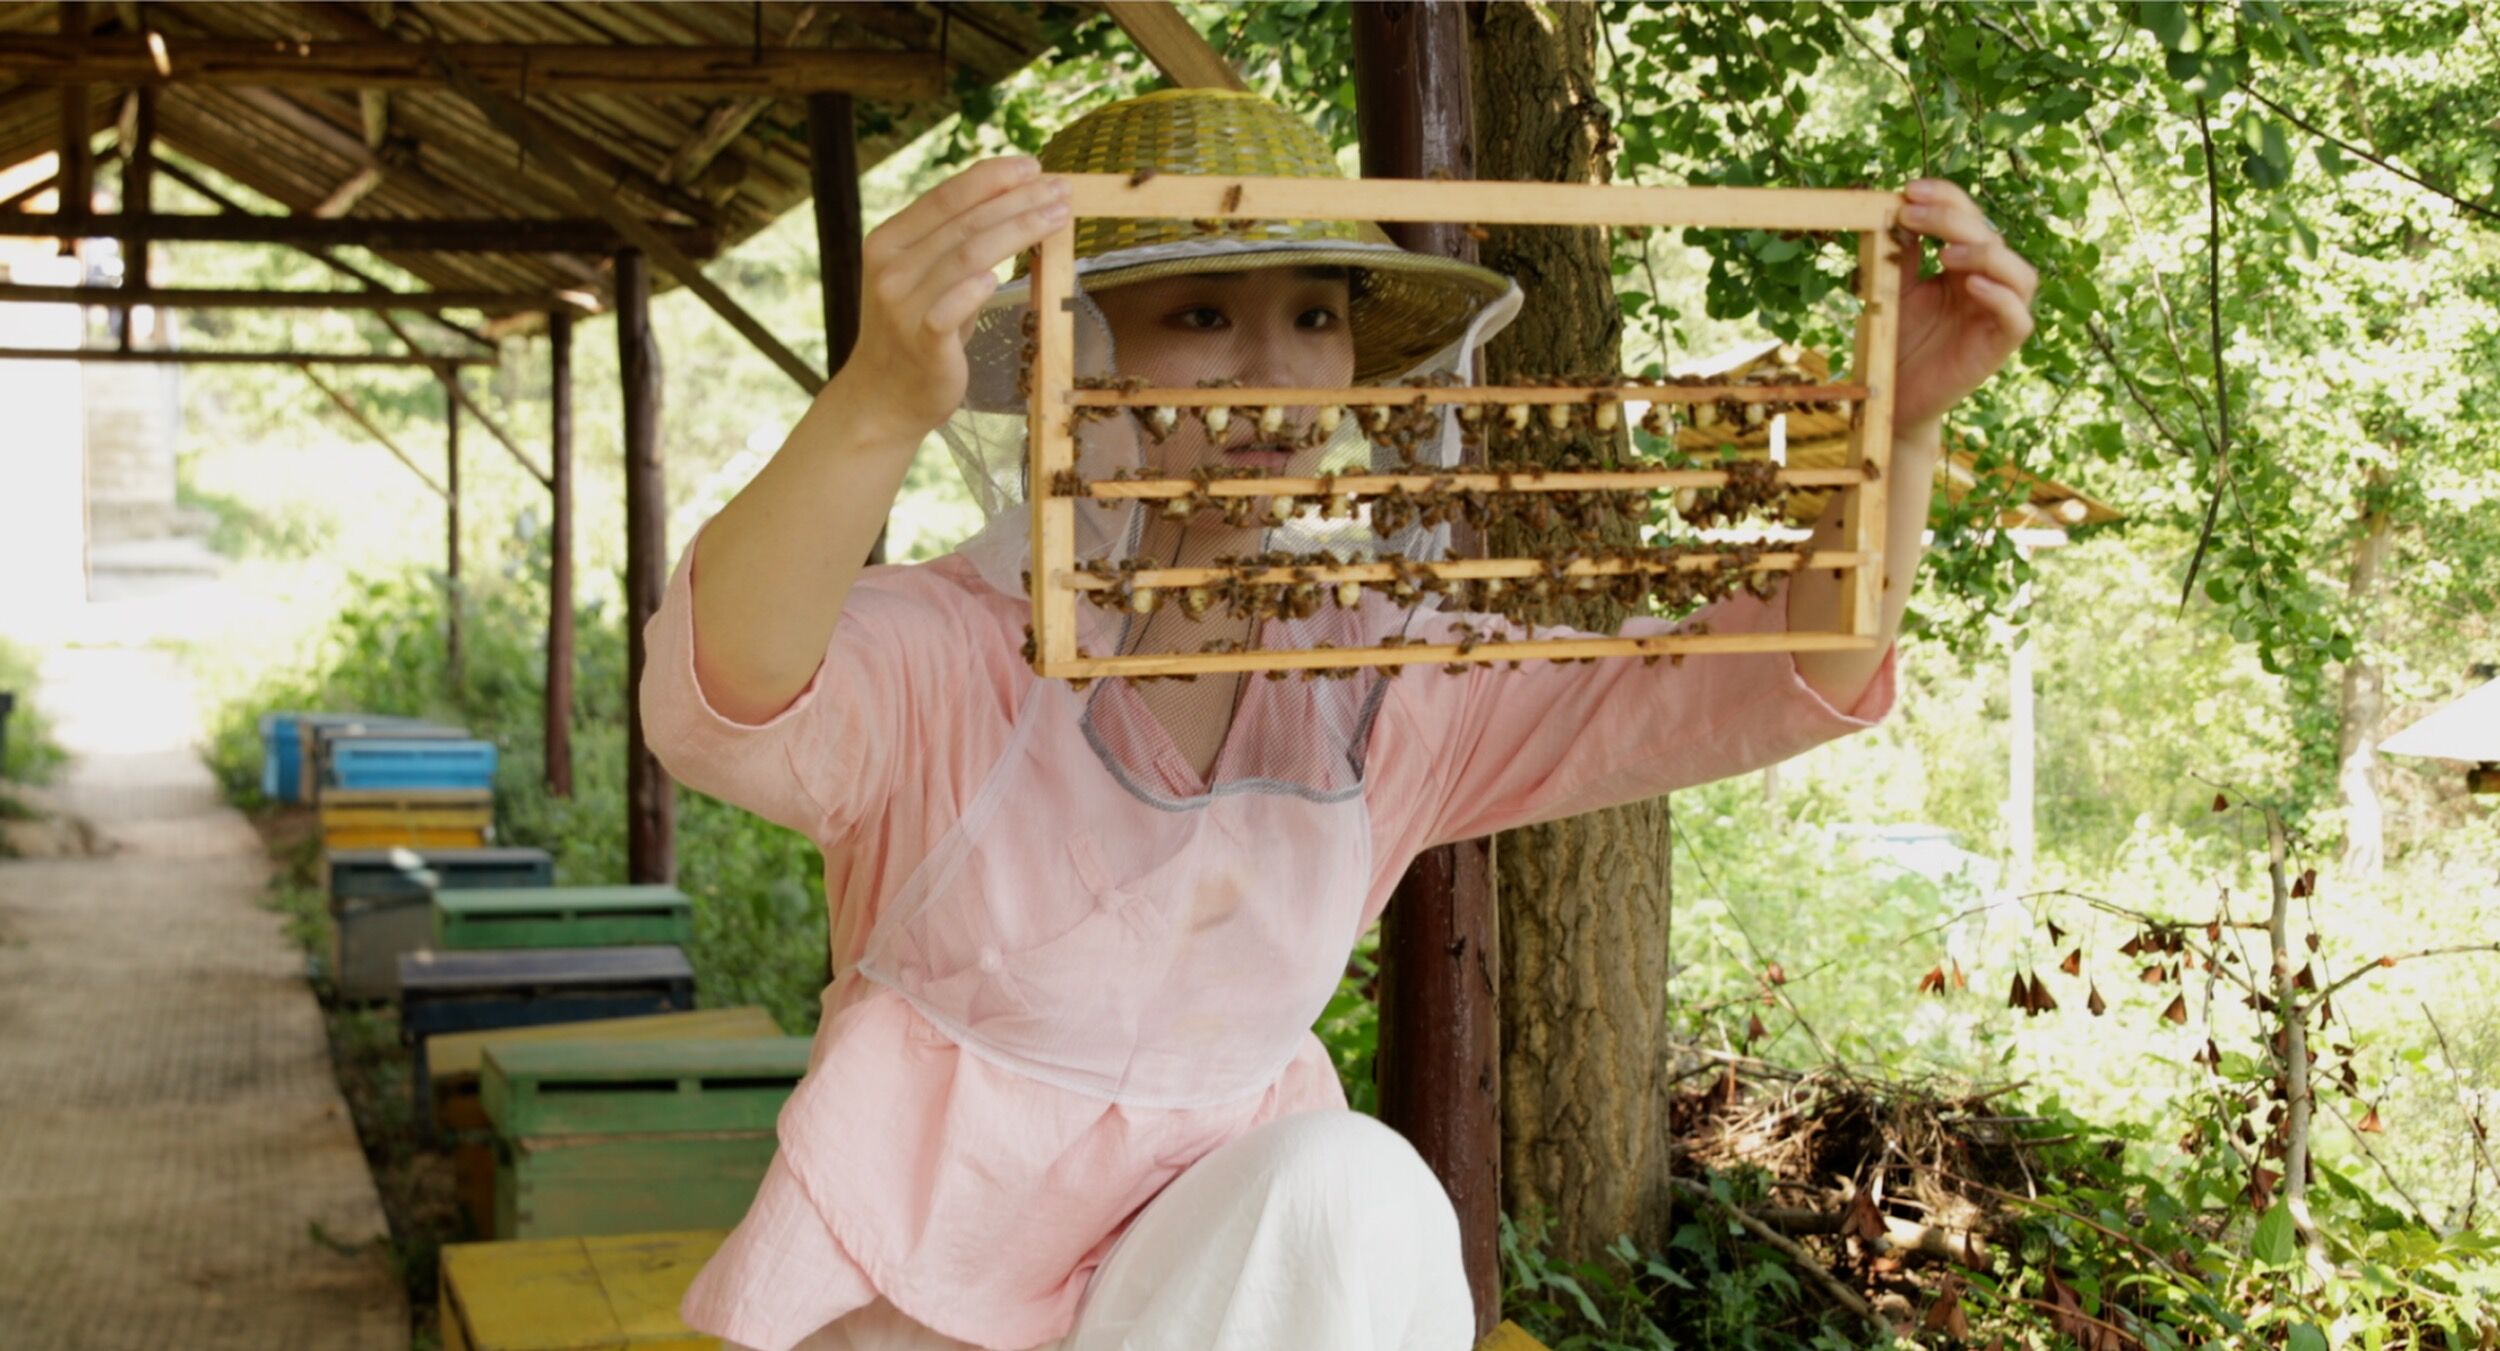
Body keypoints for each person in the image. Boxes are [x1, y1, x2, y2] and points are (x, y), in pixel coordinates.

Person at [643, 88, 2036, 1351]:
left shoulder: (1376, 675)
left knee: (1353, 1189)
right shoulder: (952, 649)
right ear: (1077, 347)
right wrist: (878, 398)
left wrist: (1897, 427)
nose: (1275, 370)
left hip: (1231, 1301)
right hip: (914, 1312)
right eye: (1203, 314)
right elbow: (725, 697)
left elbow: (1743, 676)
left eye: (1314, 316)